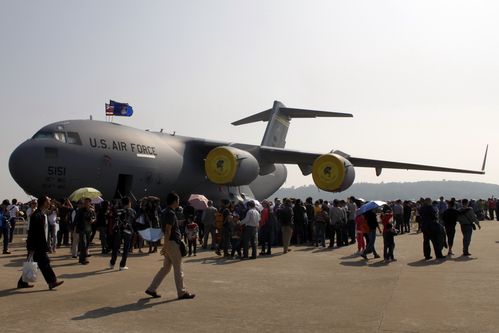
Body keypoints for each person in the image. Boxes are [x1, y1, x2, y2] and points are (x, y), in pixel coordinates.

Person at [145, 192, 195, 299]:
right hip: (172, 243)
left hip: (169, 243)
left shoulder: (165, 212)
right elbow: (168, 230)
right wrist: (165, 246)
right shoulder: (170, 213)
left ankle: (151, 288)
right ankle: (182, 292)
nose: (178, 202)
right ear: (174, 201)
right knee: (178, 268)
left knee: (166, 268)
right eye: (177, 200)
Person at [17, 196, 64, 289]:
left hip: (39, 245)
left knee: (35, 263)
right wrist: (30, 247)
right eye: (48, 201)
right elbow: (32, 232)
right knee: (44, 263)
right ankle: (52, 282)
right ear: (44, 203)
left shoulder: (43, 214)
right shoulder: (36, 215)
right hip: (37, 245)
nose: (50, 202)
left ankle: (22, 282)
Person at [109, 197, 135, 270]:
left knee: (116, 248)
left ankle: (112, 263)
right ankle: (122, 265)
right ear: (129, 203)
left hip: (119, 231)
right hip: (128, 231)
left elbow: (112, 216)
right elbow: (134, 220)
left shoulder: (119, 211)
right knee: (126, 248)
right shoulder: (132, 211)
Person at [75, 198, 96, 265]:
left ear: (90, 203)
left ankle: (81, 259)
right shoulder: (80, 210)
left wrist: (92, 220)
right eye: (85, 202)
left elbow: (94, 217)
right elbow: (76, 219)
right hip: (82, 229)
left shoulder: (91, 210)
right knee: (83, 244)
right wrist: (73, 227)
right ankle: (84, 259)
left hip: (89, 229)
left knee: (87, 244)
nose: (86, 203)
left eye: (88, 202)